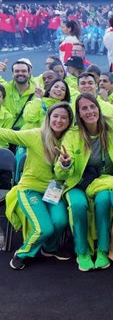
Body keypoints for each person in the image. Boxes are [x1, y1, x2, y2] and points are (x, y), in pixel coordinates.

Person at [55, 93, 113, 272]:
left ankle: (103, 250)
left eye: (92, 107)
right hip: (78, 183)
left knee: (104, 200)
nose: (89, 111)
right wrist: (65, 163)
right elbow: (61, 171)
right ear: (79, 114)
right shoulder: (72, 135)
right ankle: (82, 252)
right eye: (84, 108)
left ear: (98, 107)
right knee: (78, 206)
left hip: (106, 181)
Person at [2, 103, 73, 269]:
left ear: (69, 121)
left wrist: (65, 165)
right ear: (48, 118)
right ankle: (23, 253)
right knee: (44, 228)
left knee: (61, 221)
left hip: (54, 191)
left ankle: (50, 248)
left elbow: (65, 174)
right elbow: (8, 134)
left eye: (64, 117)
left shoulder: (70, 141)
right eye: (55, 116)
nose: (59, 120)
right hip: (30, 189)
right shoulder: (35, 135)